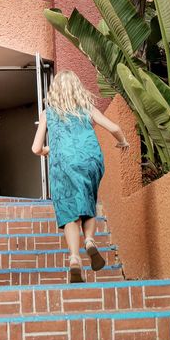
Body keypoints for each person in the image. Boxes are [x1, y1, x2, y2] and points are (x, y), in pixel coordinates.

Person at [31, 71, 129, 283]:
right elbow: (115, 127)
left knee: (69, 212)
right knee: (87, 203)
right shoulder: (86, 108)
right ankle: (91, 241)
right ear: (77, 88)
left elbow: (36, 148)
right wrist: (123, 142)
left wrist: (50, 151)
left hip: (63, 164)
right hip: (90, 160)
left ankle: (74, 259)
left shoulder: (47, 113)